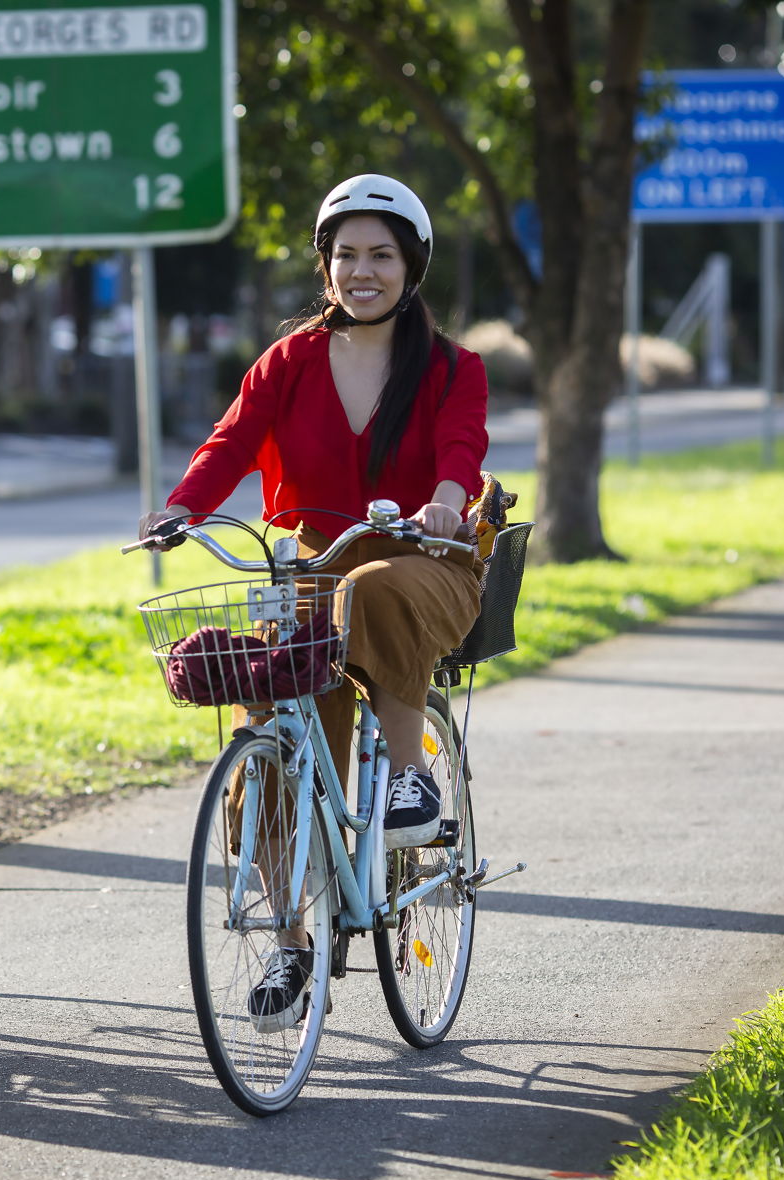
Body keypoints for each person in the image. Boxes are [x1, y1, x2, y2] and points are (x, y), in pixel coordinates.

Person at [140, 173, 489, 1026]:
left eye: (380, 255)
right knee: (269, 728)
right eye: (345, 256)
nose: (361, 271)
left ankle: (410, 778)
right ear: (325, 268)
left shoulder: (451, 366)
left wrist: (447, 494)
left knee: (372, 588)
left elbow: (462, 443)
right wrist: (182, 506)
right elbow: (232, 441)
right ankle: (295, 943)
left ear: (411, 266)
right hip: (311, 569)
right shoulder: (287, 362)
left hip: (425, 560)